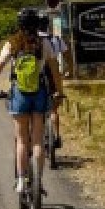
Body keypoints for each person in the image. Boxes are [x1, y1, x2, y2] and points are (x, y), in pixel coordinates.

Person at [0, 7, 66, 193]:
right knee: (38, 141)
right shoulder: (44, 43)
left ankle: (21, 180)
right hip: (39, 93)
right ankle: (38, 181)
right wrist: (59, 92)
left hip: (20, 94)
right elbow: (55, 71)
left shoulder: (12, 43)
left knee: (22, 139)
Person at [38, 13, 68, 148]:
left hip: (37, 77)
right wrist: (70, 71)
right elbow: (68, 56)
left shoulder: (31, 40)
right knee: (54, 110)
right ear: (47, 25)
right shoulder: (56, 39)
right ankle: (56, 136)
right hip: (53, 75)